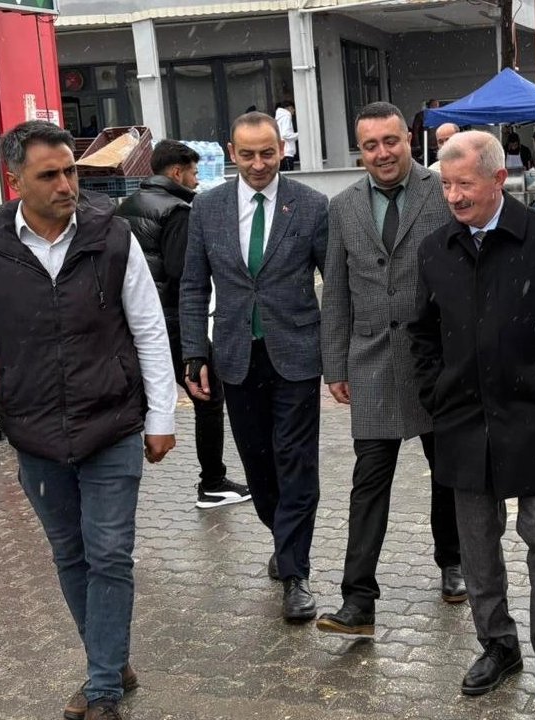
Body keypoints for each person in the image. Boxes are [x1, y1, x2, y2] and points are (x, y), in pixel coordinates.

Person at [0, 121, 177, 720]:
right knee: (70, 554)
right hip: (36, 432)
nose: (66, 184)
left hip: (111, 424)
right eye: (50, 175)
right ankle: (111, 655)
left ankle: (101, 686)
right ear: (14, 179)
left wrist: (160, 415)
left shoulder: (112, 236)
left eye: (71, 170)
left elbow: (149, 329)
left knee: (108, 553)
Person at [409, 130, 535, 714]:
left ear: (499, 179)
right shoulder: (436, 249)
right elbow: (421, 332)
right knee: (476, 545)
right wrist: (436, 391)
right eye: (445, 185)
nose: (453, 196)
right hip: (463, 422)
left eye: (464, 184)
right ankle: (498, 645)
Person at [315, 102, 465, 638]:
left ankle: (453, 563)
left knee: (446, 473)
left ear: (408, 139)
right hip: (373, 362)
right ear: (361, 151)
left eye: (391, 141)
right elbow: (335, 291)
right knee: (368, 483)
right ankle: (358, 600)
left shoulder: (440, 190)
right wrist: (335, 363)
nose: (382, 153)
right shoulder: (343, 207)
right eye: (371, 145)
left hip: (436, 362)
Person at [178, 111, 329, 623]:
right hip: (237, 356)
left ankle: (295, 572)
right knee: (260, 465)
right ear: (231, 150)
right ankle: (282, 534)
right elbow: (194, 285)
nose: (259, 164)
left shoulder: (310, 206)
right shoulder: (208, 208)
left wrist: (342, 353)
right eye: (247, 154)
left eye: (268, 153)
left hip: (297, 354)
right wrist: (194, 352)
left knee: (296, 462)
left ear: (282, 148)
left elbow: (337, 283)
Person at [116, 140, 251, 509]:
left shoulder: (127, 206)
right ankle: (213, 482)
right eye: (192, 172)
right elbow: (183, 274)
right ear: (176, 172)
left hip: (131, 321)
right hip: (171, 324)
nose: (195, 180)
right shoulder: (177, 210)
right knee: (208, 394)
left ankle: (116, 488)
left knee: (131, 404)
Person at [409, 98, 441, 164]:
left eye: (437, 105)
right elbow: (415, 130)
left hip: (436, 145)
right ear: (429, 105)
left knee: (437, 163)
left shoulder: (439, 115)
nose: (435, 107)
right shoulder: (421, 115)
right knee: (426, 162)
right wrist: (417, 145)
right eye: (434, 105)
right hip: (425, 145)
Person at [275, 100, 299, 172]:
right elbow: (285, 134)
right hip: (287, 153)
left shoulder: (279, 118)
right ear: (288, 108)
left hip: (282, 152)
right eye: (293, 108)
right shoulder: (286, 116)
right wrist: (300, 134)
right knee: (289, 177)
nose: (294, 111)